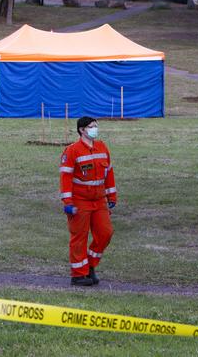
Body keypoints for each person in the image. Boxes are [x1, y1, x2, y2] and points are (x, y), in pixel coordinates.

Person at [59, 117, 117, 286]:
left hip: (99, 201)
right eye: (92, 127)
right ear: (82, 130)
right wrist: (67, 202)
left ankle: (90, 265)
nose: (95, 129)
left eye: (96, 126)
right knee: (79, 238)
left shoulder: (102, 147)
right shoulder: (72, 151)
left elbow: (109, 173)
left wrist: (111, 195)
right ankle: (78, 275)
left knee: (105, 234)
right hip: (79, 202)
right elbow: (66, 177)